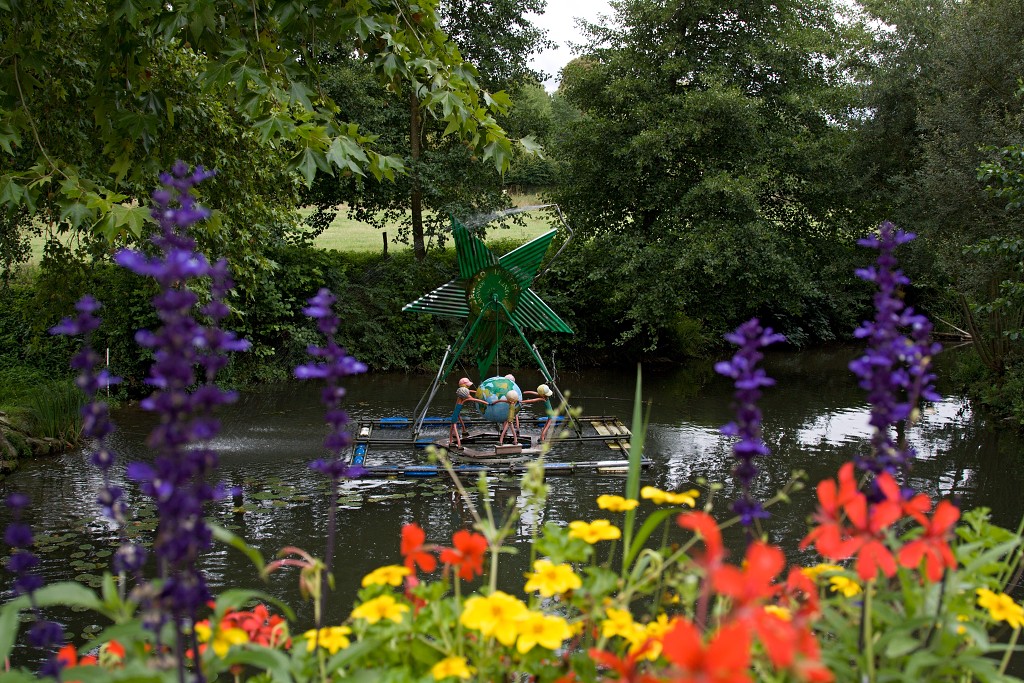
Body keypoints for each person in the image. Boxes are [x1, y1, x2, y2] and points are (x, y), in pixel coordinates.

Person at [450, 384, 486, 449]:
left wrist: (476, 392)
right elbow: (475, 400)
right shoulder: (463, 400)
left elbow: (469, 392)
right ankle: (459, 444)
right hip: (455, 417)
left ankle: (451, 442)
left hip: (455, 415)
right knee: (454, 428)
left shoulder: (460, 398)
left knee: (452, 429)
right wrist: (486, 403)